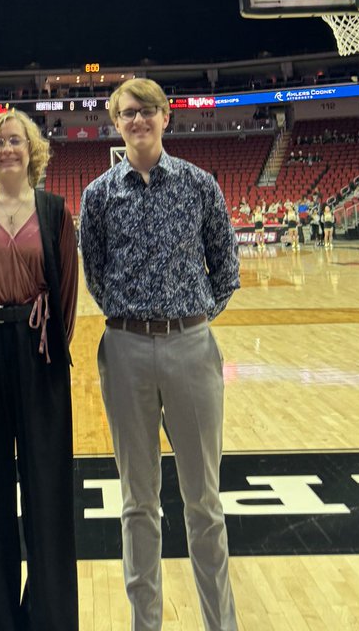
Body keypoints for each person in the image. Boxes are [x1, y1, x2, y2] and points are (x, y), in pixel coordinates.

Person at [80, 78, 240, 631]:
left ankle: (222, 623)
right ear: (116, 122)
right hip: (124, 348)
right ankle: (144, 625)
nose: (138, 119)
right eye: (127, 112)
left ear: (166, 117)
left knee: (204, 503)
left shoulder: (199, 184)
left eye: (147, 110)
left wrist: (189, 319)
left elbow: (227, 267)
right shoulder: (97, 195)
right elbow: (95, 274)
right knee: (137, 503)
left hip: (191, 346)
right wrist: (136, 321)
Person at [0, 110, 79, 631]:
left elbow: (66, 291)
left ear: (33, 151)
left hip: (40, 350)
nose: (8, 149)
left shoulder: (53, 211)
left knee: (47, 486)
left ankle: (48, 617)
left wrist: (44, 340)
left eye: (17, 142)